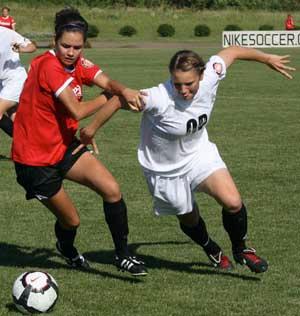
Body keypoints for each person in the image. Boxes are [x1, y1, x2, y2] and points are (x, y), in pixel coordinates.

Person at [79, 46, 295, 273]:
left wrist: (266, 58)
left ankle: (241, 250)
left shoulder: (211, 75)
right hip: (164, 171)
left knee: (232, 202)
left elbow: (231, 52)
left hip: (199, 155)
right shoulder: (158, 97)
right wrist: (91, 130)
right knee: (190, 220)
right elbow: (117, 100)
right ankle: (211, 248)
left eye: (189, 84)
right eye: (177, 83)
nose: (183, 90)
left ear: (201, 76)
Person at [11, 8, 147, 276]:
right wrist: (113, 97)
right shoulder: (47, 66)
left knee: (112, 189)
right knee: (71, 221)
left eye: (77, 46)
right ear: (54, 41)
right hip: (34, 160)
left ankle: (123, 256)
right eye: (65, 46)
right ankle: (67, 248)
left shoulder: (78, 62)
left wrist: (122, 89)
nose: (71, 52)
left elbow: (106, 80)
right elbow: (78, 111)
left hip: (62, 146)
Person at [0, 26, 36, 138]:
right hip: (2, 83)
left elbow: (32, 46)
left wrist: (22, 49)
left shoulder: (8, 33)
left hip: (15, 79)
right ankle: (32, 144)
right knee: (16, 117)